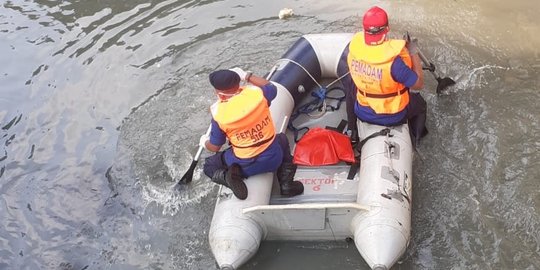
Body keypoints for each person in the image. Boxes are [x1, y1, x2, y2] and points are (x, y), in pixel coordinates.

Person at [200, 68, 303, 200]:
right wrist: (247, 76)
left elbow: (215, 147)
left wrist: (204, 142)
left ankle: (228, 177)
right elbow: (270, 86)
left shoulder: (219, 114)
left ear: (218, 92)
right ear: (238, 84)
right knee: (282, 139)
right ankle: (287, 184)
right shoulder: (258, 95)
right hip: (274, 158)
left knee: (209, 165)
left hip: (245, 166)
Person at [343, 6, 428, 146]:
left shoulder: (354, 51)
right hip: (393, 115)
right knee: (421, 104)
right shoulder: (395, 63)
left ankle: (352, 131)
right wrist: (413, 52)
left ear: (364, 30)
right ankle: (417, 139)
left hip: (363, 111)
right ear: (387, 28)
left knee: (351, 85)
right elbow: (419, 84)